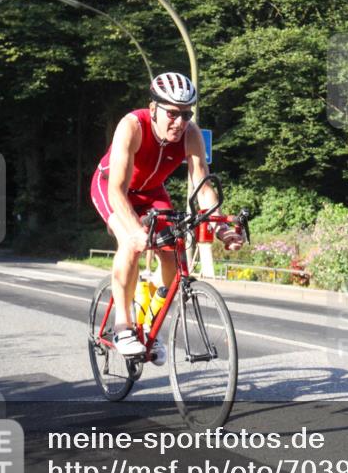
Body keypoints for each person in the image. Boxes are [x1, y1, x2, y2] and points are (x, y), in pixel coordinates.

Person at [90, 72, 242, 364]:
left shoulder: (191, 134)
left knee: (173, 253)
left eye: (186, 114)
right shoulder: (132, 126)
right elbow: (117, 191)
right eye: (172, 113)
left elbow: (203, 187)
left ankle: (151, 325)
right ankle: (123, 326)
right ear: (153, 108)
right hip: (112, 187)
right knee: (130, 242)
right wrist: (135, 231)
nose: (180, 122)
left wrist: (220, 227)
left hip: (151, 192)